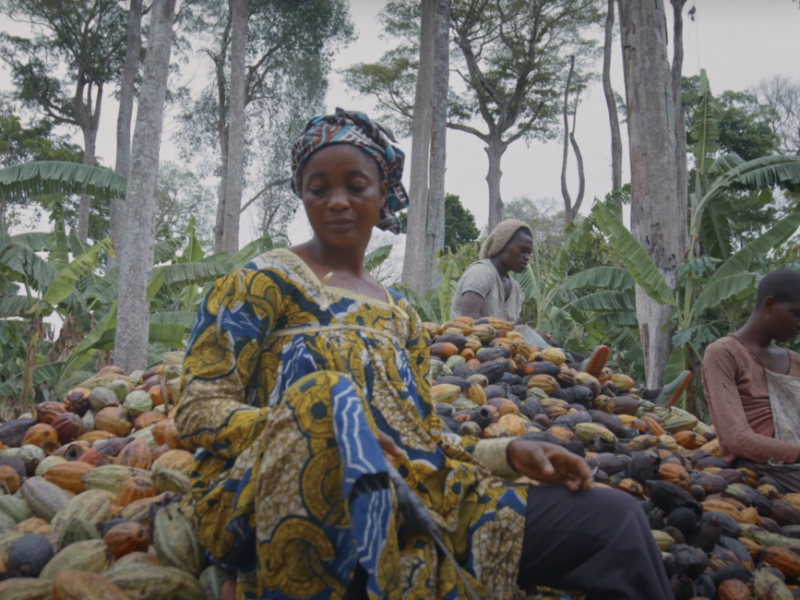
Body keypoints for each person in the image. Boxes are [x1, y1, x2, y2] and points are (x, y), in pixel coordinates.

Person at [176, 108, 672, 600]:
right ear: (302, 195)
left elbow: (423, 437)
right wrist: (336, 430)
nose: (337, 202)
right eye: (318, 188)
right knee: (327, 397)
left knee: (616, 522)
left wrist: (507, 453)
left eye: (355, 185)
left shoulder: (400, 318)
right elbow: (199, 408)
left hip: (411, 491)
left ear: (383, 193)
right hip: (276, 492)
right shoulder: (262, 282)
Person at [703, 268, 800, 492]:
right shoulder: (724, 353)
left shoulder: (795, 361)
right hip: (763, 471)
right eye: (796, 314)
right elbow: (738, 439)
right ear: (769, 305)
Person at [450, 219, 532, 324]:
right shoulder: (480, 273)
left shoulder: (515, 288)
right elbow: (470, 322)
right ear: (502, 245)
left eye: (529, 253)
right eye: (523, 251)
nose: (527, 257)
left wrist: (531, 333)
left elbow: (511, 329)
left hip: (500, 341)